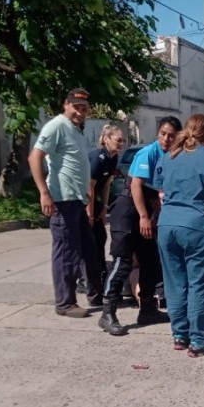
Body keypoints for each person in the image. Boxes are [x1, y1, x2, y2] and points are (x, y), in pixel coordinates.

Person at [154, 114, 204, 357]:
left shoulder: (169, 157)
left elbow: (161, 194)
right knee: (199, 283)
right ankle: (200, 340)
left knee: (175, 283)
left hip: (167, 226)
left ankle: (180, 334)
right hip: (198, 227)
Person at [98, 116, 182, 336]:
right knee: (122, 263)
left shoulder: (170, 156)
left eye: (172, 135)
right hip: (127, 211)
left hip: (145, 211)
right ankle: (107, 313)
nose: (166, 138)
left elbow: (155, 193)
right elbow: (136, 185)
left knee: (151, 261)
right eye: (163, 133)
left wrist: (155, 215)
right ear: (158, 134)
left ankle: (147, 309)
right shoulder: (148, 153)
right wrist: (144, 216)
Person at [28, 88, 102, 318]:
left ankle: (96, 293)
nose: (80, 112)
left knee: (89, 250)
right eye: (76, 107)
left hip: (77, 200)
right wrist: (44, 193)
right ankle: (65, 303)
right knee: (66, 253)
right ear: (66, 105)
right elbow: (35, 157)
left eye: (84, 109)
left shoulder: (76, 130)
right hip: (62, 200)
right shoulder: (56, 126)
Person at [76, 125, 124, 295]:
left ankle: (91, 277)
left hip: (94, 201)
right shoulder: (99, 158)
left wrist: (103, 209)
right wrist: (89, 214)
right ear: (106, 139)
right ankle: (83, 280)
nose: (121, 144)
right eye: (118, 140)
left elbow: (106, 184)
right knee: (91, 241)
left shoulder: (113, 158)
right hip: (81, 200)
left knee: (100, 238)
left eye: (122, 141)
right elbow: (90, 186)